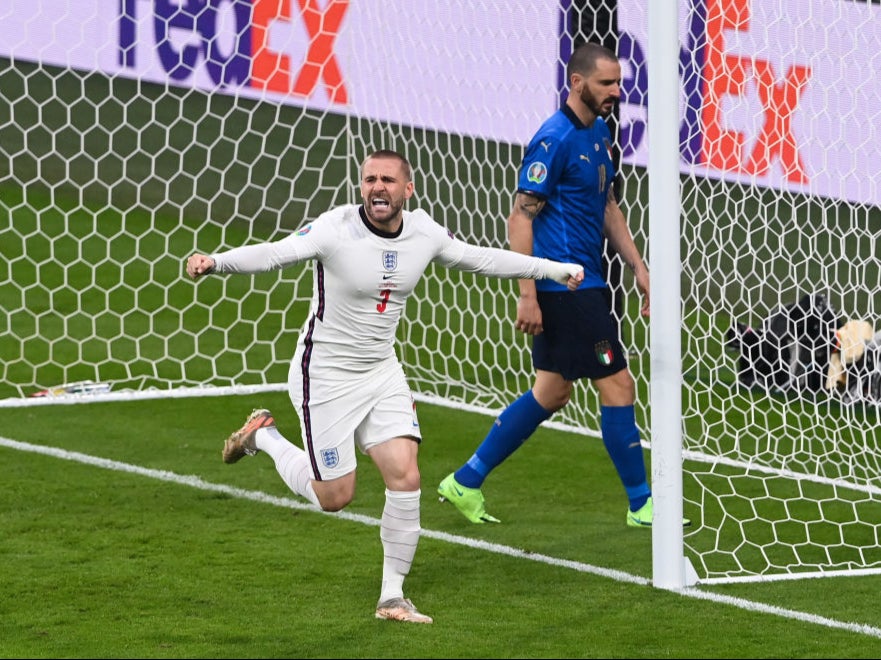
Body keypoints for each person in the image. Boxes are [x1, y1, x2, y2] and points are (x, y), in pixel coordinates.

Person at [185, 149, 584, 624]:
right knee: (336, 497)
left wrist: (551, 268)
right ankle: (264, 436)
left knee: (405, 475)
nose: (378, 187)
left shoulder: (424, 232)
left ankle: (392, 597)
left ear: (407, 189)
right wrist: (217, 262)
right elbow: (274, 253)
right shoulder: (333, 229)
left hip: (381, 372)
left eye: (388, 180)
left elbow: (479, 259)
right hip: (326, 376)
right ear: (361, 186)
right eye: (370, 178)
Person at [437, 43, 690, 529]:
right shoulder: (552, 140)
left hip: (588, 282)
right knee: (617, 383)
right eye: (606, 83)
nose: (617, 91)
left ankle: (466, 480)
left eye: (618, 82)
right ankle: (642, 505)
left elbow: (608, 205)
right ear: (578, 83)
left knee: (551, 392)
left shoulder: (599, 133)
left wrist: (639, 267)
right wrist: (528, 291)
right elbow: (520, 215)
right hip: (564, 286)